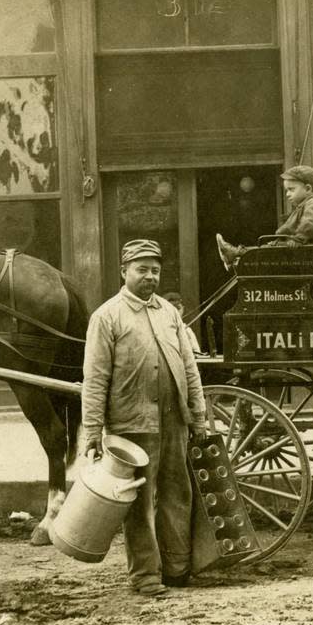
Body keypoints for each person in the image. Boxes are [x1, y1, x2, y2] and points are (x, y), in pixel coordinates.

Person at [81, 239, 207, 597]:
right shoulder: (106, 317)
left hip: (174, 422)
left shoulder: (169, 312)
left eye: (155, 270)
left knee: (176, 494)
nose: (150, 276)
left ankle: (178, 568)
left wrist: (197, 416)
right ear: (124, 272)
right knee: (138, 503)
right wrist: (92, 432)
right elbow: (95, 379)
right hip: (131, 426)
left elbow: (189, 368)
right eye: (142, 269)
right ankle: (145, 575)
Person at [215, 165, 313, 269]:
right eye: (286, 190)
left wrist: (298, 239)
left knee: (271, 250)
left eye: (291, 189)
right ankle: (236, 256)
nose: (287, 194)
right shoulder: (304, 205)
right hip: (312, 249)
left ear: (307, 189)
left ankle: (236, 255)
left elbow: (310, 224)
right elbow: (293, 227)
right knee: (270, 248)